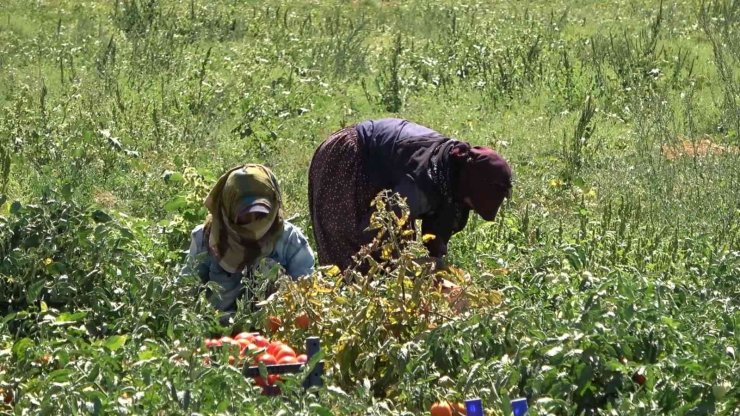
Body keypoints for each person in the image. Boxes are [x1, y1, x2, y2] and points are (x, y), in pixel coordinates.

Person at [308, 118, 512, 271]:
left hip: (376, 164)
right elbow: (376, 229)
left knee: (391, 256)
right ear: (469, 187)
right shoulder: (423, 183)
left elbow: (437, 233)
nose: (469, 209)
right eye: (472, 203)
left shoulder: (450, 174)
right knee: (353, 253)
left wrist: (437, 263)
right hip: (348, 157)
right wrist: (407, 269)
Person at [184, 164, 315, 318]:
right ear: (228, 211)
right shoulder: (207, 238)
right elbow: (186, 291)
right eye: (245, 215)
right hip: (216, 332)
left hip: (274, 331)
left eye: (260, 214)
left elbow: (305, 292)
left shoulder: (289, 240)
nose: (254, 223)